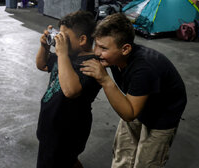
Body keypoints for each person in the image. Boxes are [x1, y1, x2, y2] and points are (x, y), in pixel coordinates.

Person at [80, 13, 187, 167]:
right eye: (96, 44)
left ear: (125, 49)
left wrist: (105, 80)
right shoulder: (114, 57)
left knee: (146, 161)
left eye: (103, 48)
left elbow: (129, 114)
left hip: (162, 113)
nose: (97, 52)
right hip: (137, 99)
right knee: (122, 152)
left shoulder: (144, 69)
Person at [35, 11, 102, 168]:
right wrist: (44, 47)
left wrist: (62, 54)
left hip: (67, 132)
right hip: (51, 124)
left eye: (64, 36)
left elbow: (71, 91)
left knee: (59, 160)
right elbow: (42, 65)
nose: (60, 40)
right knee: (66, 161)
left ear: (82, 40)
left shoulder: (92, 65)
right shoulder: (67, 56)